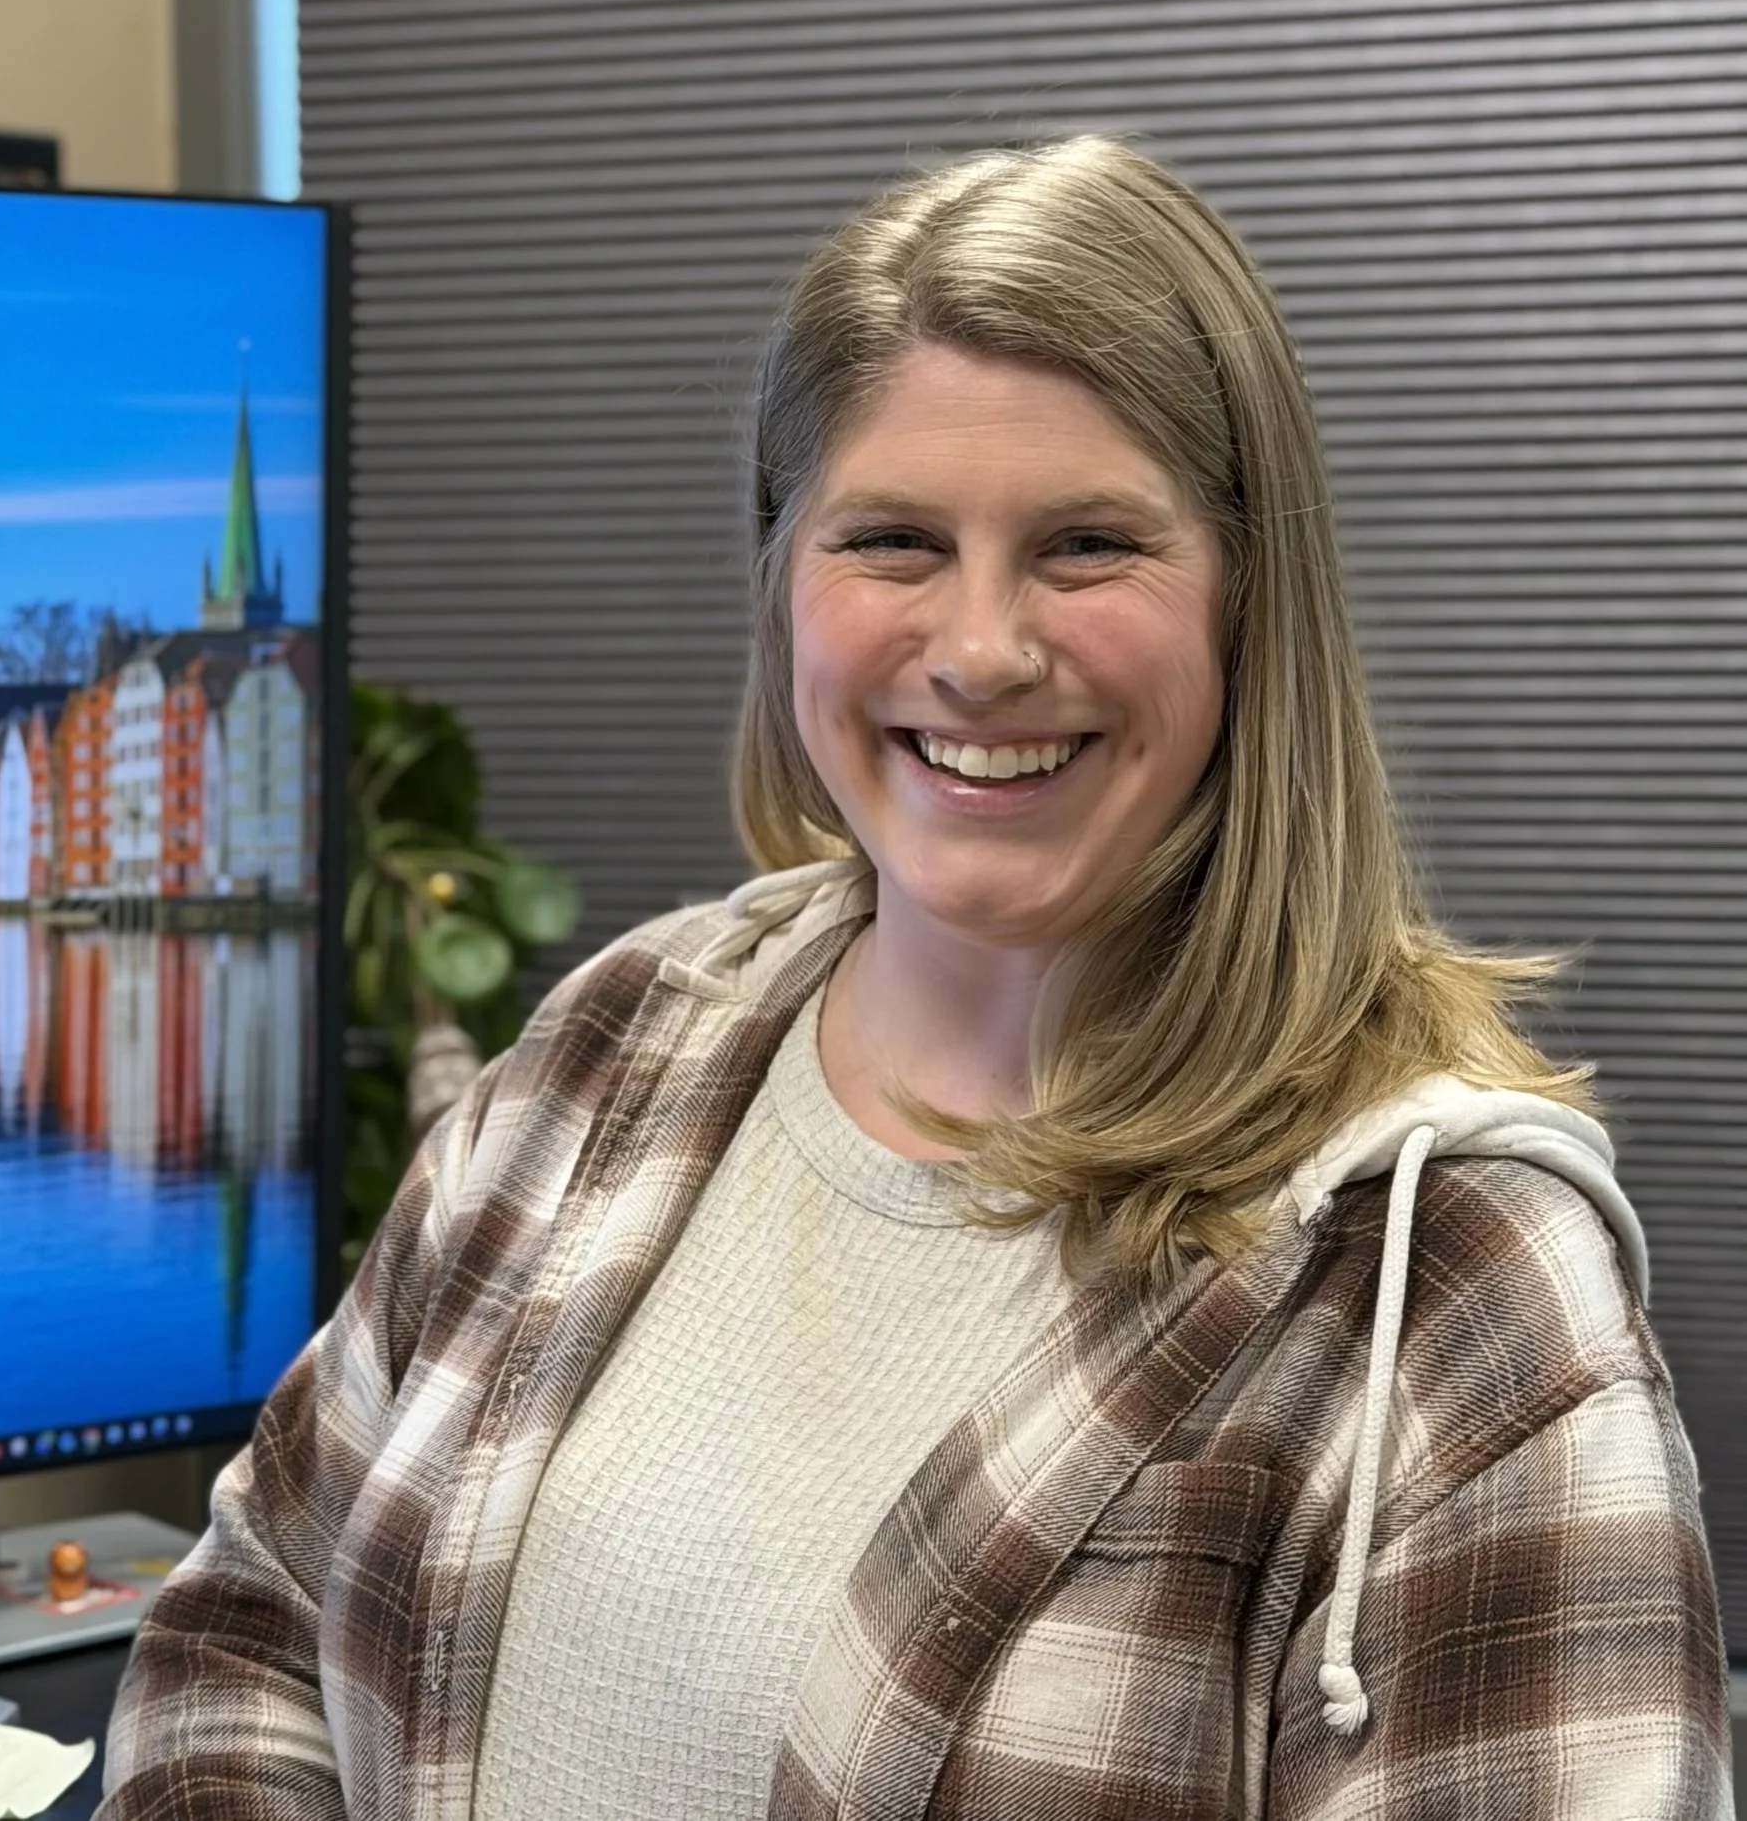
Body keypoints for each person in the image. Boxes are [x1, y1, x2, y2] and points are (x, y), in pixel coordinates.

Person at [102, 138, 1729, 1817]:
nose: (980, 651)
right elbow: (255, 1620)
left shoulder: (1452, 1288)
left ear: (1253, 603)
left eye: (1088, 544)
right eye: (892, 540)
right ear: (780, 580)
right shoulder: (618, 1047)